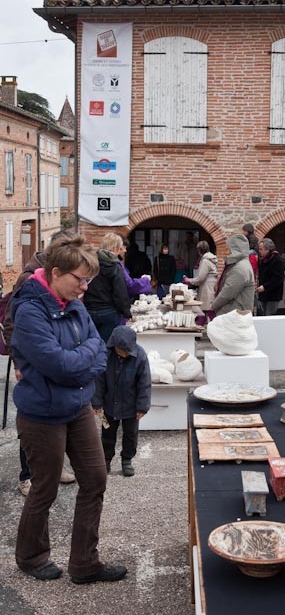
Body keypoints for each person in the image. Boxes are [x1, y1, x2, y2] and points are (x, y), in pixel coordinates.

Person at [10, 234, 127, 583]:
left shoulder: (73, 303)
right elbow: (59, 365)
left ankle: (84, 563)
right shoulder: (30, 310)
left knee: (95, 479)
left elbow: (98, 347)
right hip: (42, 415)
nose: (85, 288)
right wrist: (81, 363)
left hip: (76, 406)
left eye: (88, 280)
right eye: (80, 279)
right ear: (57, 272)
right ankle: (30, 557)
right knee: (44, 488)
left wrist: (79, 363)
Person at [3, 230, 77, 496]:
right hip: (32, 361)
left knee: (59, 415)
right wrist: (19, 362)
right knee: (33, 417)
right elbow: (10, 324)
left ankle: (54, 467)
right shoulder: (28, 279)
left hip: (55, 357)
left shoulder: (62, 278)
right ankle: (27, 476)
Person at [92, 326, 151, 477]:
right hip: (109, 405)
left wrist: (142, 406)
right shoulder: (105, 355)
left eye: (127, 351)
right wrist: (96, 403)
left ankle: (127, 460)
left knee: (131, 434)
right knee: (107, 432)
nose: (124, 354)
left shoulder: (140, 356)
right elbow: (99, 381)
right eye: (120, 350)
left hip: (131, 407)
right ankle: (105, 459)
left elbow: (144, 383)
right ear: (113, 346)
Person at [83, 233, 131, 343]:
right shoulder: (115, 266)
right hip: (108, 312)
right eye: (120, 248)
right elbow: (120, 293)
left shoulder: (91, 263)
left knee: (91, 344)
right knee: (106, 347)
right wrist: (126, 312)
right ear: (115, 247)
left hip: (89, 310)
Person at [212, 234, 255, 316]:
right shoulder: (240, 265)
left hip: (234, 314)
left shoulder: (240, 269)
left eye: (229, 249)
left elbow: (228, 292)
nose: (227, 252)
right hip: (233, 312)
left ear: (236, 250)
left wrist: (214, 305)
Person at [183, 241, 218, 325]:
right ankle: (202, 330)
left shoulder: (205, 261)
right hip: (211, 287)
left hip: (207, 289)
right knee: (206, 310)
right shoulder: (212, 259)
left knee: (205, 311)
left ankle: (202, 330)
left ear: (199, 250)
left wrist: (188, 280)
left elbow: (201, 278)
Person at [118, 236, 152, 302]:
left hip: (132, 277)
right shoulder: (143, 255)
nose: (125, 251)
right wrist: (147, 275)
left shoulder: (129, 257)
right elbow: (149, 265)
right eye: (124, 248)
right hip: (139, 277)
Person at [256, 238, 284, 316]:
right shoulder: (262, 259)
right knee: (261, 315)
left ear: (268, 249)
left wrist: (265, 286)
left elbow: (278, 278)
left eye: (261, 249)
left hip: (273, 295)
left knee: (269, 316)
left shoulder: (276, 260)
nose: (259, 251)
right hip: (263, 294)